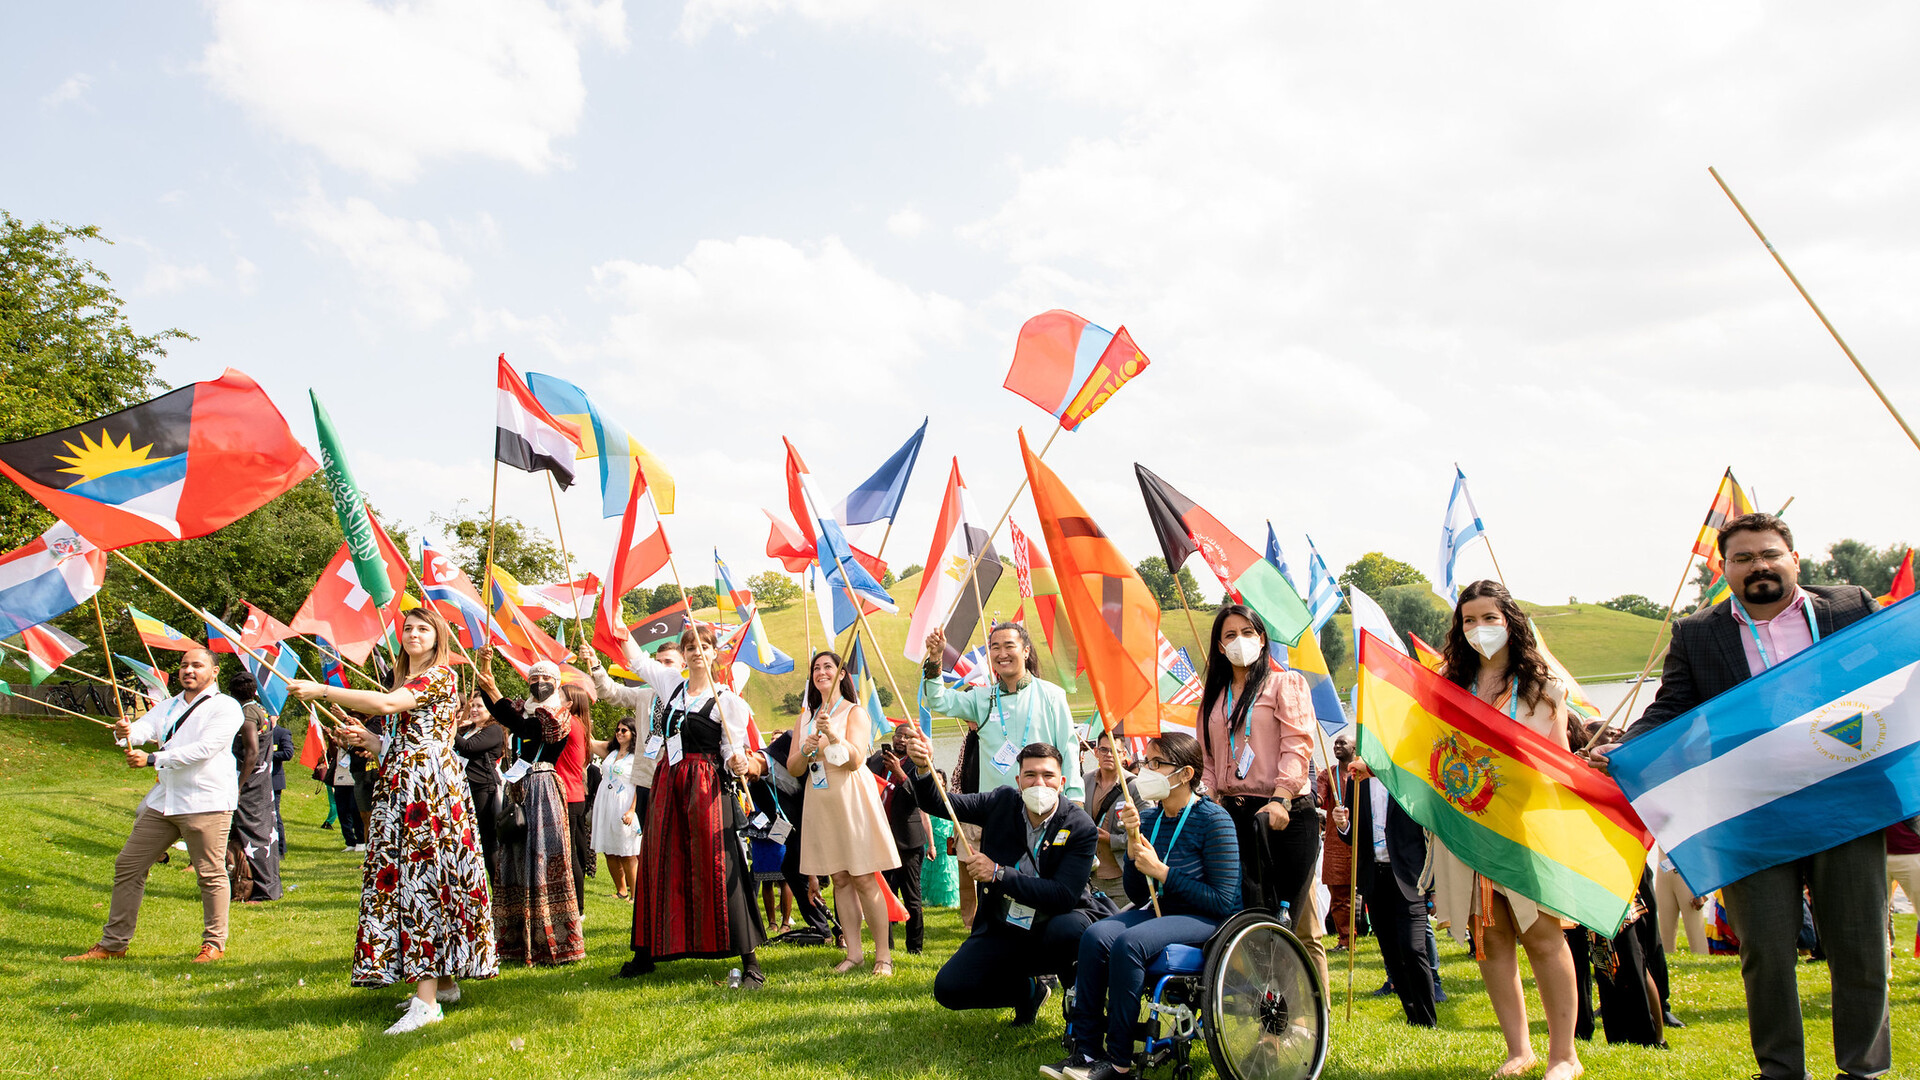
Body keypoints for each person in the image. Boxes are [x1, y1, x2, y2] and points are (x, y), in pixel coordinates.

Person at [1593, 512, 1888, 1080]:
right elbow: (1671, 706)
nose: (1759, 566)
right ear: (1724, 569)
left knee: (1860, 945)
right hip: (1750, 811)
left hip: (1844, 801)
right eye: (1744, 558)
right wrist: (1626, 748)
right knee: (1765, 951)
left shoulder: (1850, 607)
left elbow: (1893, 675)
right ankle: (1780, 1070)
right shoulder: (1699, 633)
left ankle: (1863, 1070)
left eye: (1769, 554)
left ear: (1794, 559)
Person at [287, 608, 497, 1034]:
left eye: (423, 628)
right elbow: (406, 739)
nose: (413, 633)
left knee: (420, 883)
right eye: (408, 627)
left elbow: (385, 705)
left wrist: (322, 690)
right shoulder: (408, 682)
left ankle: (426, 1004)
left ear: (438, 639)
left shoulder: (440, 676)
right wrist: (369, 739)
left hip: (427, 793)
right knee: (427, 880)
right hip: (406, 786)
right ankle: (445, 983)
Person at [1427, 580, 1582, 1079]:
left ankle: (1565, 1055)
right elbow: (1423, 751)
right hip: (1468, 830)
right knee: (1489, 939)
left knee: (1542, 936)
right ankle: (1520, 1050)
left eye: (1489, 617)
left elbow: (1557, 758)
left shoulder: (1543, 688)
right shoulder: (1448, 687)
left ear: (1510, 621)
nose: (1479, 629)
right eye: (1469, 620)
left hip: (1525, 827)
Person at [1049, 732, 1241, 1080]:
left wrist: (1163, 872)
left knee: (1128, 944)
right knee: (1095, 935)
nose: (1147, 771)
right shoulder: (1150, 820)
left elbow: (1224, 899)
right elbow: (1137, 891)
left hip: (1205, 917)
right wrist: (1136, 851)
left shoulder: (1213, 820)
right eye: (1147, 762)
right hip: (1159, 910)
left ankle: (1119, 1061)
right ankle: (1087, 1049)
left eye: (1157, 764)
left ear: (1184, 774)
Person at [600, 624, 768, 987]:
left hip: (706, 787)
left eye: (704, 647)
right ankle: (645, 954)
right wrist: (619, 624)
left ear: (714, 653)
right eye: (690, 646)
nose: (696, 652)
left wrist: (738, 762)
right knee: (660, 864)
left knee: (719, 863)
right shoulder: (670, 685)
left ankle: (750, 960)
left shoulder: (728, 701)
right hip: (667, 785)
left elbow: (730, 750)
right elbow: (638, 661)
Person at [897, 727, 1101, 1026]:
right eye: (1030, 775)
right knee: (949, 989)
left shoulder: (1080, 826)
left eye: (1047, 775)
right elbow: (941, 804)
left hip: (1057, 923)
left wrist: (998, 874)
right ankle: (1028, 991)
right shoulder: (1001, 802)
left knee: (1068, 929)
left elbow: (1063, 896)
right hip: (1005, 924)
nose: (1039, 783)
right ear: (1018, 781)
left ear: (1062, 782)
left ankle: (1077, 1002)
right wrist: (923, 768)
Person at [67, 648, 245, 964]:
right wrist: (125, 733)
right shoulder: (169, 705)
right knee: (128, 865)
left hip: (206, 801)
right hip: (164, 800)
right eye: (184, 665)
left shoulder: (227, 707)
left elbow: (204, 749)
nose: (188, 670)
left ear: (214, 672)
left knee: (209, 873)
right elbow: (142, 730)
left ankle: (214, 944)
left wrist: (152, 758)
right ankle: (114, 944)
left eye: (197, 665)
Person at [1196, 604, 1326, 988]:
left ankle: (1310, 1016)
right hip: (1232, 816)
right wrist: (1209, 798)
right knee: (1251, 915)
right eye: (1230, 635)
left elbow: (1297, 746)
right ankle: (1263, 1003)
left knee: (1296, 923)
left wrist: (1282, 797)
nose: (1240, 642)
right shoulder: (1213, 699)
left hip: (1282, 812)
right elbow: (1206, 759)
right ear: (1219, 647)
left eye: (1247, 633)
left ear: (1263, 638)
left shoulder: (1285, 684)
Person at [921, 623, 1084, 929]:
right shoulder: (982, 698)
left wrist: (1074, 801)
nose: (1001, 653)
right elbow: (938, 700)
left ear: (1025, 650)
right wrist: (934, 659)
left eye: (1009, 646)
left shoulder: (1051, 695)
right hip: (999, 812)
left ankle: (1046, 962)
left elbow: (1068, 748)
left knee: (1040, 884)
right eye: (995, 647)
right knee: (998, 888)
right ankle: (998, 953)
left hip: (1044, 808)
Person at [789, 650, 902, 975]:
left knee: (864, 877)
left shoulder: (855, 712)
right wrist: (807, 748)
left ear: (841, 674)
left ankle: (883, 956)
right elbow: (794, 768)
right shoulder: (804, 717)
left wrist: (833, 734)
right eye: (816, 668)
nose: (821, 672)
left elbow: (855, 761)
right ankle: (854, 953)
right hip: (820, 799)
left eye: (828, 666)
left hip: (851, 795)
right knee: (839, 878)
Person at [473, 656, 585, 968]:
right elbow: (504, 713)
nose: (538, 684)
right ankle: (516, 939)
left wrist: (495, 692)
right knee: (516, 856)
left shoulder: (557, 714)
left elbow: (527, 728)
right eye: (533, 679)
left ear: (556, 681)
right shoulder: (524, 708)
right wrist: (487, 683)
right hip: (519, 786)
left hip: (544, 787)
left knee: (543, 858)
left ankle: (551, 936)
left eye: (545, 678)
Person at [1334, 755, 1434, 1028]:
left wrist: (1432, 883)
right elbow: (1355, 832)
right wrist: (1344, 825)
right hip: (1374, 876)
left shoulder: (1407, 774)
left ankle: (1428, 1019)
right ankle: (1412, 1016)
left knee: (1413, 948)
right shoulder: (1357, 780)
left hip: (1408, 874)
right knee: (1391, 952)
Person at [871, 724, 929, 955]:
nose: (901, 740)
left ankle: (915, 948)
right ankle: (885, 946)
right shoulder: (876, 760)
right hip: (880, 837)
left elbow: (921, 798)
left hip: (907, 840)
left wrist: (900, 773)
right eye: (898, 735)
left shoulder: (918, 763)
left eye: (907, 737)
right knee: (880, 894)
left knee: (911, 896)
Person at [226, 673, 282, 902]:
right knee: (263, 833)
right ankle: (264, 885)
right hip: (262, 782)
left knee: (253, 835)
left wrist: (238, 785)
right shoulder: (261, 709)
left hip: (250, 783)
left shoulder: (247, 714)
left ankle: (259, 888)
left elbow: (251, 752)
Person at [453, 693, 506, 882]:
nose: (474, 709)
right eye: (472, 705)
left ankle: (498, 886)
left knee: (488, 841)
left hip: (484, 790)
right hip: (463, 789)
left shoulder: (494, 730)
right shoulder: (467, 729)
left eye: (479, 706)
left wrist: (451, 729)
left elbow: (467, 747)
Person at [1081, 729, 1138, 903]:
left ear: (1124, 754)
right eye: (1104, 750)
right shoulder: (1085, 780)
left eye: (1114, 750)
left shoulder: (1134, 786)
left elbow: (1144, 834)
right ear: (1096, 752)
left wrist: (1111, 839)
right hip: (1091, 875)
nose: (1108, 755)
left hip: (1121, 877)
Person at [592, 716, 645, 900]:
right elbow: (588, 741)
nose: (620, 733)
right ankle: (621, 890)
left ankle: (635, 895)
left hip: (625, 801)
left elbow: (640, 784)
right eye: (618, 730)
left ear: (632, 733)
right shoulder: (611, 752)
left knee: (627, 851)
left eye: (624, 730)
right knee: (609, 849)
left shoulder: (637, 756)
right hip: (605, 802)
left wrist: (632, 810)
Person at [1318, 733, 1355, 951]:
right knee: (1339, 895)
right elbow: (1321, 799)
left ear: (1354, 748)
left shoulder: (1362, 773)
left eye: (1343, 743)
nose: (1337, 746)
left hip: (1363, 838)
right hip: (1336, 842)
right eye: (1335, 743)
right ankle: (1345, 940)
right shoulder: (1328, 775)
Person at [923, 769, 960, 910]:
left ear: (944, 781)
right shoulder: (929, 796)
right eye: (934, 778)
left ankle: (950, 899)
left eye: (939, 778)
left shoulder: (949, 796)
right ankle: (933, 897)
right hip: (933, 833)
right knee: (933, 865)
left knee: (946, 864)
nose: (937, 781)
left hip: (945, 833)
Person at [328, 724, 366, 852]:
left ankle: (361, 840)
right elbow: (333, 754)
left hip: (353, 779)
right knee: (342, 811)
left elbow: (350, 749)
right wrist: (331, 739)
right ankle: (349, 841)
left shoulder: (356, 741)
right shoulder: (339, 741)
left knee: (355, 811)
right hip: (340, 779)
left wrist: (341, 739)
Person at [265, 705, 293, 856]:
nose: (269, 718)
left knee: (275, 814)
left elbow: (288, 753)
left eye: (272, 715)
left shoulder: (282, 733)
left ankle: (280, 849)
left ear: (277, 717)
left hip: (274, 779)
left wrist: (268, 756)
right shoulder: (260, 732)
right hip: (261, 779)